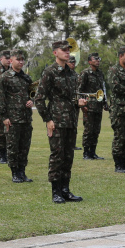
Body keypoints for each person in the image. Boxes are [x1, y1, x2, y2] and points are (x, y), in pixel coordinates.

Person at [35, 40, 84, 204]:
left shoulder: (72, 74)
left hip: (71, 120)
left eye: (68, 50)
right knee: (57, 156)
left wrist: (79, 102)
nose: (67, 52)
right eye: (63, 50)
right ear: (55, 52)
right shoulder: (49, 72)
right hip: (56, 121)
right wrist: (47, 119)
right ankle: (56, 192)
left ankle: (65, 190)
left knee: (68, 157)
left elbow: (72, 98)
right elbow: (39, 99)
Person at [0, 49, 34, 183]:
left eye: (22, 59)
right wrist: (4, 117)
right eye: (18, 59)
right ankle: (15, 173)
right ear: (11, 60)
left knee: (24, 147)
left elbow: (32, 94)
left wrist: (31, 101)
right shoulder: (5, 77)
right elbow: (0, 99)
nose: (21, 62)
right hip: (12, 118)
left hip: (26, 118)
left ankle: (22, 172)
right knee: (13, 147)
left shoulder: (26, 78)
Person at [78, 52, 108, 160]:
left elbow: (102, 89)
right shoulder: (85, 73)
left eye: (98, 58)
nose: (98, 60)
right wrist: (82, 106)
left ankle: (93, 152)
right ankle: (86, 153)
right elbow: (80, 91)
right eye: (95, 59)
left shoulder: (100, 73)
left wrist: (105, 102)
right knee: (88, 130)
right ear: (90, 62)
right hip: (88, 106)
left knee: (96, 130)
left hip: (98, 106)